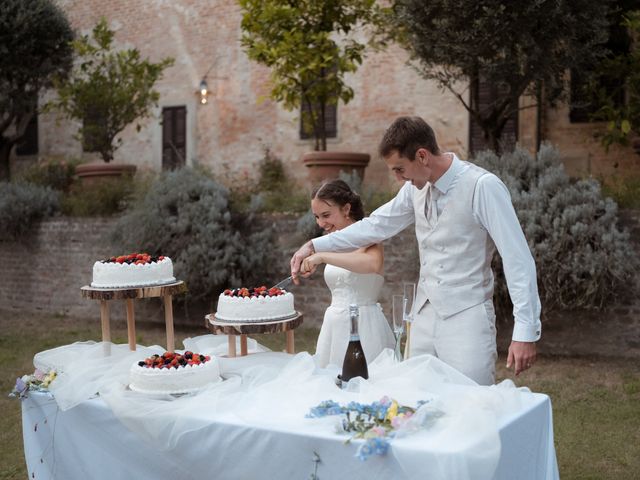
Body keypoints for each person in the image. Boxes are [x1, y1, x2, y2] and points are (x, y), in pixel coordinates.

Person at [291, 116, 541, 385]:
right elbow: (376, 226)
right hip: (423, 317)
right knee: (414, 402)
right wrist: (315, 244)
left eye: (400, 169)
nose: (399, 178)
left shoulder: (482, 186)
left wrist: (525, 331)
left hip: (467, 318)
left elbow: (517, 259)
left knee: (471, 404)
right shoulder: (414, 189)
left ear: (422, 156)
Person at [300, 179, 395, 368]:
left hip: (364, 326)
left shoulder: (369, 235)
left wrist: (323, 257)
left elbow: (372, 264)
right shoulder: (329, 241)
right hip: (334, 326)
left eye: (326, 215)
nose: (321, 223)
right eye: (316, 217)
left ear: (346, 209)